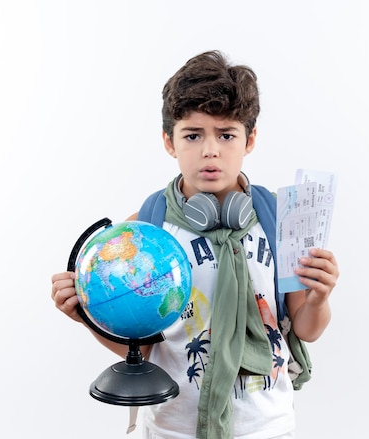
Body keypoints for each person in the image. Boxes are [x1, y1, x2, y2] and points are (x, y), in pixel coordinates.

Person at [51, 50, 339, 439]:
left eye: (226, 135)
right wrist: (87, 316)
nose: (210, 151)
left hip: (266, 427)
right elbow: (145, 350)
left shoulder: (281, 220)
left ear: (249, 139)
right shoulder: (145, 233)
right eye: (192, 135)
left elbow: (306, 328)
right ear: (169, 141)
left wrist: (319, 298)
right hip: (174, 428)